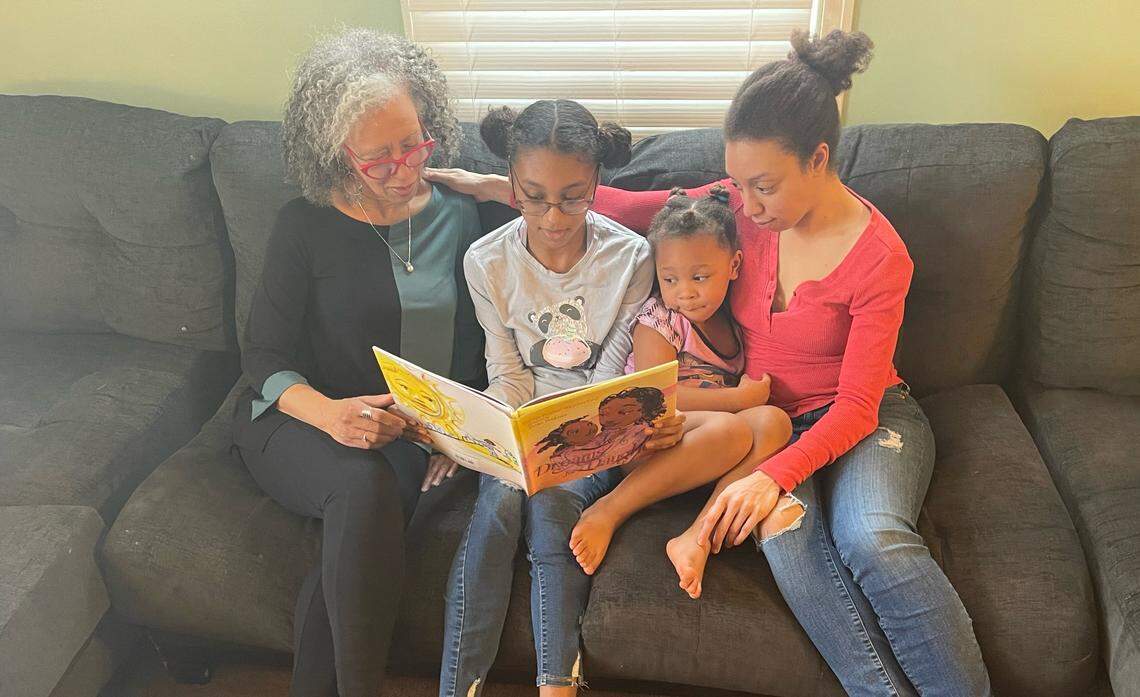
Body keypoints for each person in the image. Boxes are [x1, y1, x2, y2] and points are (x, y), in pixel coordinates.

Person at [427, 29, 992, 697]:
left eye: (763, 186)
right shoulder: (742, 211)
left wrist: (770, 476)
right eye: (739, 183)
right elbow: (623, 205)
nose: (745, 205)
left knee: (871, 538)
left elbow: (858, 405)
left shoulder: (880, 256)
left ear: (818, 158)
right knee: (784, 535)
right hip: (772, 418)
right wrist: (497, 187)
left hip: (863, 419)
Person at [431, 99, 754, 697]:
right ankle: (459, 686)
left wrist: (573, 431)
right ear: (511, 187)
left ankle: (557, 682)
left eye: (573, 196)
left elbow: (610, 374)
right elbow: (504, 369)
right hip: (518, 416)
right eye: (533, 196)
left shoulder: (632, 258)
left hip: (595, 422)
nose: (553, 217)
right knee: (497, 509)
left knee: (554, 510)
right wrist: (507, 428)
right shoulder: (486, 261)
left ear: (597, 185)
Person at [231, 28, 484, 697]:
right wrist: (331, 414)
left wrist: (459, 431)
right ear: (337, 155)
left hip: (399, 432)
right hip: (296, 414)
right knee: (360, 488)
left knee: (359, 513)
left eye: (414, 143)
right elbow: (263, 354)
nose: (405, 167)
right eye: (380, 159)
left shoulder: (464, 217)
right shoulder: (303, 227)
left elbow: (479, 353)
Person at [625, 186, 797, 600]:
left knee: (775, 423)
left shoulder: (736, 325)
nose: (685, 291)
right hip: (647, 441)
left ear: (734, 265)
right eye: (670, 278)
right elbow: (655, 392)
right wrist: (736, 400)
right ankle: (613, 509)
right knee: (732, 429)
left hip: (703, 450)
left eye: (700, 277)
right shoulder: (660, 318)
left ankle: (697, 535)